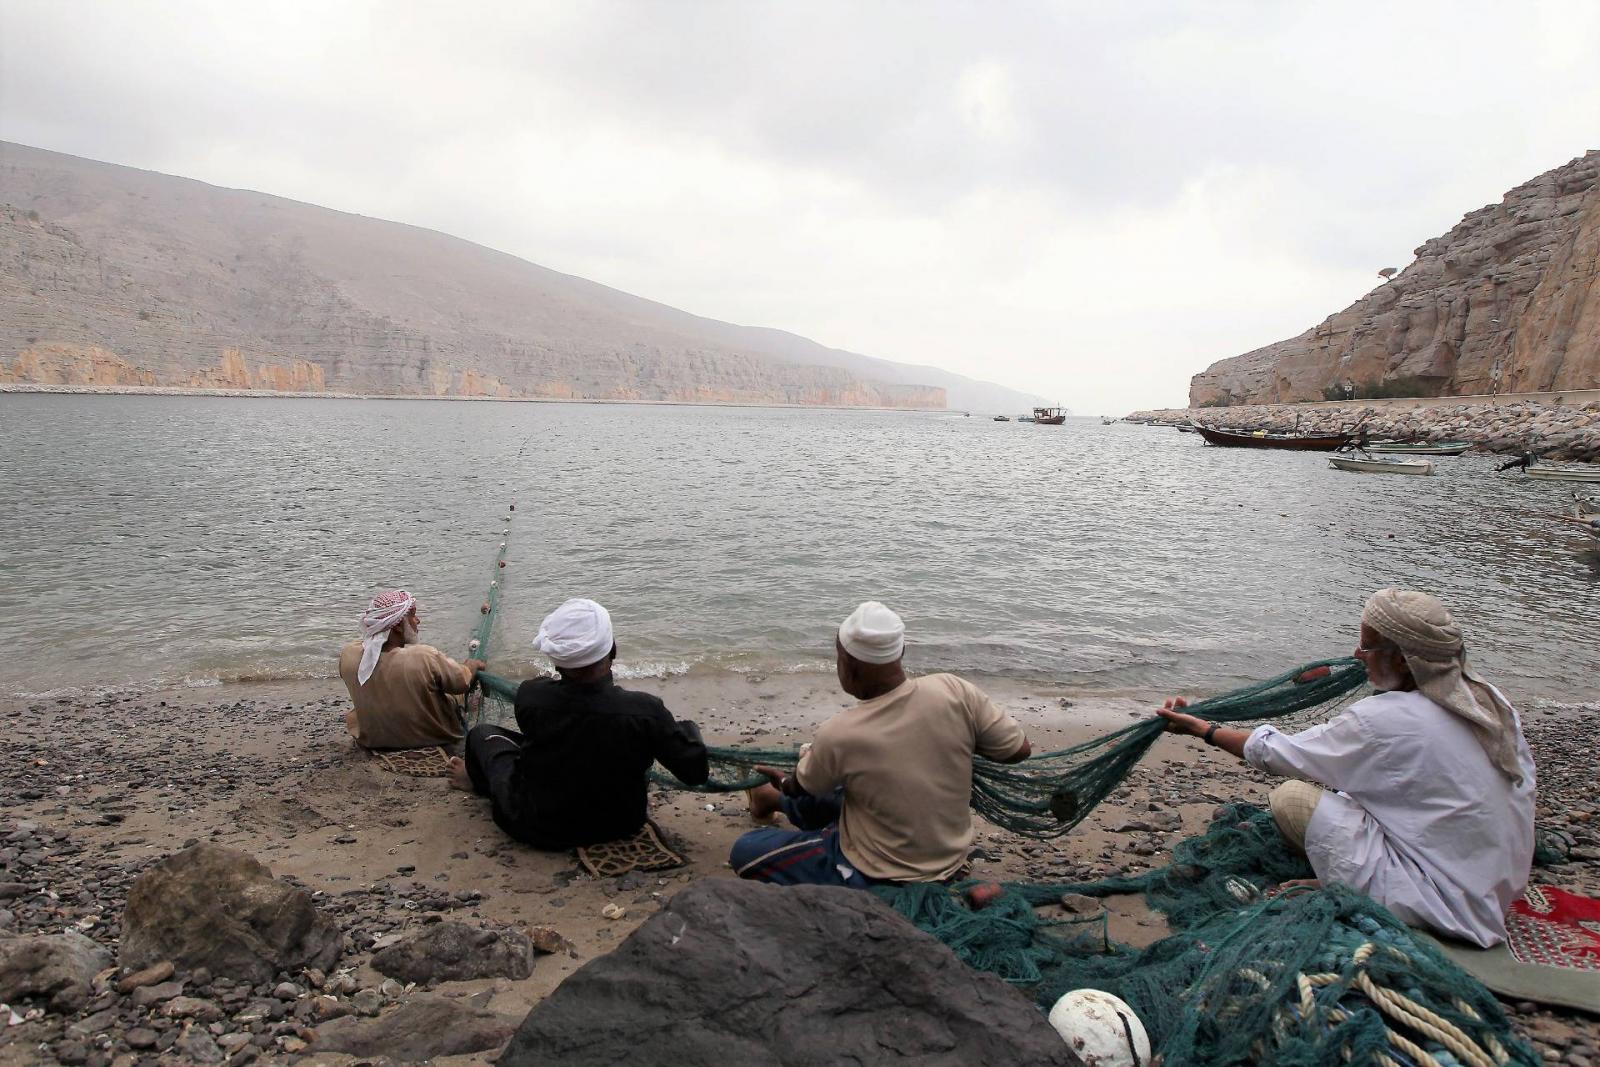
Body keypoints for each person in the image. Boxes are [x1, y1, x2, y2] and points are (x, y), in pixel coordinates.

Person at [1158, 588, 1535, 948]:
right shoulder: (1487, 698)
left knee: (1291, 799)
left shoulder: (1384, 719)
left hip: (1440, 900)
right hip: (1494, 882)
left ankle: (1357, 887)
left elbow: (1278, 753)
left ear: (1404, 660)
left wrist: (1204, 730)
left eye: (1368, 647)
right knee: (1348, 789)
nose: (1357, 654)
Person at [729, 601, 1032, 888]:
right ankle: (767, 800)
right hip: (950, 857)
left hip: (877, 871)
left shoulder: (841, 732)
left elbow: (801, 788)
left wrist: (782, 780)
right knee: (839, 792)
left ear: (847, 664)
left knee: (746, 849)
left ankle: (769, 795)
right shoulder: (955, 690)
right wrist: (944, 742)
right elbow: (1018, 750)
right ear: (901, 651)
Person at [447, 598, 709, 849]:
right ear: (612, 649)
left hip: (534, 824)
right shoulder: (645, 712)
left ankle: (477, 784)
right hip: (620, 824)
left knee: (483, 736)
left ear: (557, 661)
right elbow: (695, 772)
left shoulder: (531, 696)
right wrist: (684, 729)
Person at [338, 589, 484, 750]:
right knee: (456, 692)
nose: (418, 621)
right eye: (413, 615)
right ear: (399, 626)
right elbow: (461, 683)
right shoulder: (424, 656)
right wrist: (472, 665)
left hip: (372, 739)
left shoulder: (348, 654)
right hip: (430, 738)